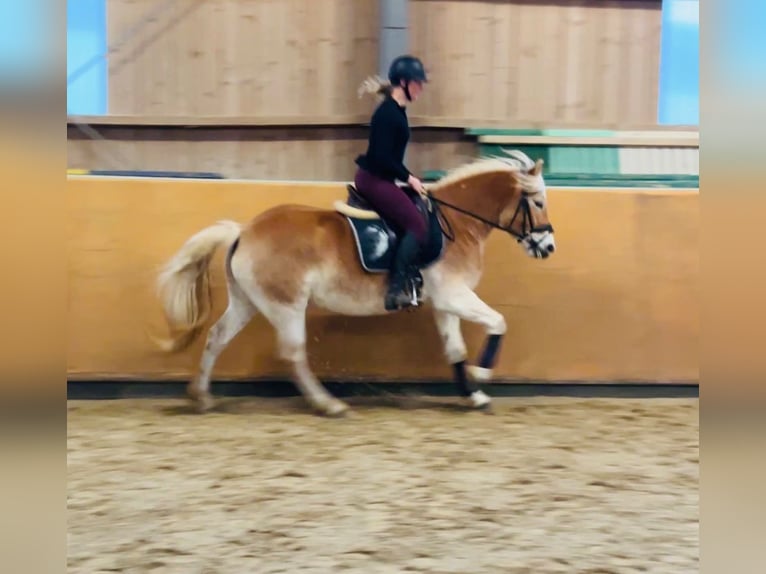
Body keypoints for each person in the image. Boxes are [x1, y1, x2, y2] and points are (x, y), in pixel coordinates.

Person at [354, 55, 429, 311]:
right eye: (418, 83)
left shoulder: (397, 111)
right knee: (417, 226)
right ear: (404, 82)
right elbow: (382, 157)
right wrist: (409, 178)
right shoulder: (388, 113)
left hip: (382, 176)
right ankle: (395, 289)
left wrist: (408, 179)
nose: (422, 88)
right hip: (374, 179)